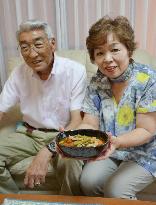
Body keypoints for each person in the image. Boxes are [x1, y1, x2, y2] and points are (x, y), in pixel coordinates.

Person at [0, 19, 87, 195]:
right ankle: (14, 200)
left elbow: (77, 120)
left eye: (38, 44)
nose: (32, 54)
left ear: (52, 43)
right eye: (24, 48)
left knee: (71, 161)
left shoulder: (75, 71)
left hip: (64, 134)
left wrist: (48, 150)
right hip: (29, 134)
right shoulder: (18, 73)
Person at [77, 16, 156, 199]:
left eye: (114, 50)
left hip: (146, 151)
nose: (108, 59)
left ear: (128, 50)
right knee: (87, 182)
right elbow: (90, 122)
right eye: (99, 53)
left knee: (116, 190)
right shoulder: (97, 82)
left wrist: (117, 142)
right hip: (110, 149)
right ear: (93, 57)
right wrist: (75, 137)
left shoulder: (148, 80)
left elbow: (147, 129)